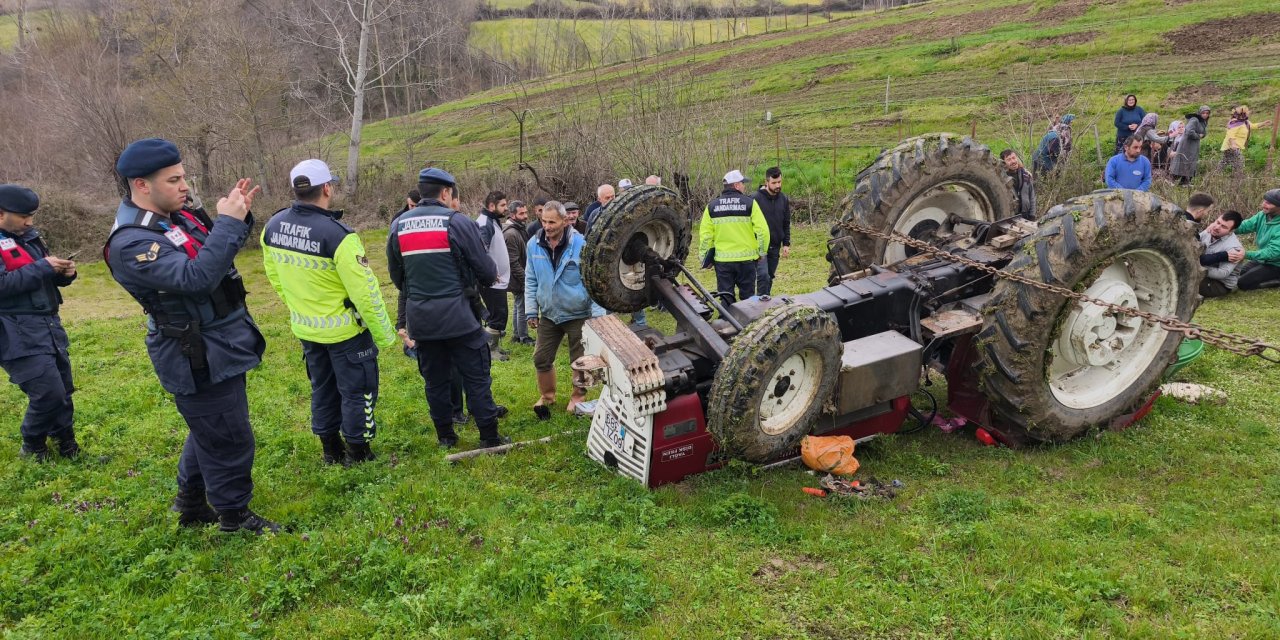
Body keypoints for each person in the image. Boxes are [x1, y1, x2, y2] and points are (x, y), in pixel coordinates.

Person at [104, 138, 278, 534]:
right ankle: (234, 517)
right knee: (229, 436)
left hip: (220, 340)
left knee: (211, 426)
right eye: (174, 179)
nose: (185, 186)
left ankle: (191, 502)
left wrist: (239, 217)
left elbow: (215, 252)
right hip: (194, 350)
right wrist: (230, 224)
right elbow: (196, 278)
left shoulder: (176, 216)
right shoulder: (132, 241)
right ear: (141, 185)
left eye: (184, 177)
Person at [260, 159, 395, 466]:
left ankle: (330, 449)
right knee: (357, 391)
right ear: (327, 189)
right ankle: (358, 453)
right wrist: (385, 335)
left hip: (306, 329)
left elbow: (275, 277)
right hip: (346, 332)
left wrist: (300, 305)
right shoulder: (339, 236)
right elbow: (367, 293)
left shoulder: (272, 226)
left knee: (322, 388)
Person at [387, 168, 508, 449]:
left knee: (435, 382)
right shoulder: (456, 222)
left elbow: (397, 277)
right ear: (445, 193)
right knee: (476, 377)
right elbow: (487, 271)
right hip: (460, 319)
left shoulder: (398, 225)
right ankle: (489, 437)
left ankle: (445, 437)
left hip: (422, 322)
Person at [0, 184, 79, 462]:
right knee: (47, 392)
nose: (29, 221)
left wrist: (64, 273)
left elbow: (40, 277)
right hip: (13, 331)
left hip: (48, 325)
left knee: (63, 389)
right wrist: (43, 267)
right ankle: (32, 447)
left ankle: (68, 445)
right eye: (23, 215)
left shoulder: (29, 237)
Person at [525, 201, 604, 419]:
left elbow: (592, 281)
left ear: (565, 221)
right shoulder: (534, 244)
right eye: (544, 221)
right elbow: (531, 278)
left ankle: (578, 396)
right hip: (549, 314)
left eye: (552, 222)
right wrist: (532, 310)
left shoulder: (580, 244)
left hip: (578, 313)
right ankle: (548, 396)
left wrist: (597, 316)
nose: (547, 226)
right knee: (541, 358)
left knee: (580, 360)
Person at [699, 170, 769, 302]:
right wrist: (761, 252)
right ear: (736, 185)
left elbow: (706, 236)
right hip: (747, 260)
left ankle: (726, 320)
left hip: (723, 261)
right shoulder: (750, 203)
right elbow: (763, 231)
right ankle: (748, 321)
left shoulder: (711, 206)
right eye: (742, 183)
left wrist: (705, 259)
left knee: (725, 297)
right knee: (748, 299)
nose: (744, 186)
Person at [475, 190, 511, 362]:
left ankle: (495, 347)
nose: (506, 208)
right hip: (491, 281)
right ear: (491, 206)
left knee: (500, 314)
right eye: (503, 205)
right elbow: (482, 250)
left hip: (498, 280)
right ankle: (490, 350)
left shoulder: (492, 221)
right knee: (496, 315)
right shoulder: (484, 223)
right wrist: (490, 271)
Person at [753, 166, 791, 296]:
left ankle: (765, 300)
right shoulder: (755, 199)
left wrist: (786, 243)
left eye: (779, 182)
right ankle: (759, 303)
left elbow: (786, 223)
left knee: (769, 276)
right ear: (766, 182)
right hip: (759, 247)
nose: (777, 185)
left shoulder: (784, 199)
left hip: (775, 245)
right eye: (774, 183)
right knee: (763, 276)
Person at [1235, 189, 1280, 291]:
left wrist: (1246, 254)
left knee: (1243, 283)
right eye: (1264, 201)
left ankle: (1277, 280)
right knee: (1238, 273)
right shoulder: (1263, 215)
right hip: (1262, 259)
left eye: (1268, 203)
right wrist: (1228, 228)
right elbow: (1246, 226)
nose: (1263, 204)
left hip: (1276, 264)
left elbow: (1273, 252)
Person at [503, 200, 535, 346]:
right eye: (521, 213)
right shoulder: (511, 233)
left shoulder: (518, 229)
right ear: (512, 215)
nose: (525, 216)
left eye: (526, 212)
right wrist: (526, 278)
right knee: (522, 306)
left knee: (518, 304)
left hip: (518, 275)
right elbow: (513, 262)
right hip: (517, 276)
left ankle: (517, 335)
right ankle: (523, 336)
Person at [1198, 211, 1245, 298]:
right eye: (1218, 222)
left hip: (1219, 284)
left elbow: (1223, 273)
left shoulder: (1234, 249)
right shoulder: (1209, 231)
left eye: (1223, 226)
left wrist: (1196, 269)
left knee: (1185, 283)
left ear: (1231, 231)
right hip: (1203, 273)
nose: (1217, 227)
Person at [1220, 106, 1271, 174]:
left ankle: (1216, 175)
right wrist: (1233, 144)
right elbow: (1231, 134)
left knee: (1225, 162)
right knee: (1240, 162)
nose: (1248, 112)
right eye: (1247, 112)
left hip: (1235, 147)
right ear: (1242, 113)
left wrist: (1263, 123)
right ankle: (1238, 178)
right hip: (1232, 147)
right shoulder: (1234, 122)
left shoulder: (1245, 121)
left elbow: (1253, 126)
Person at [1171, 106, 1210, 186]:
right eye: (1203, 113)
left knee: (1191, 162)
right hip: (1187, 145)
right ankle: (1172, 181)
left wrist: (1202, 135)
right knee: (1184, 161)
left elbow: (1203, 133)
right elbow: (1189, 131)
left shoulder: (1203, 122)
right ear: (1199, 112)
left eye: (1207, 113)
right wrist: (1198, 136)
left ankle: (1185, 182)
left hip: (1194, 145)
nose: (1205, 115)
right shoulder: (1194, 119)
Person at [1001, 150, 1036, 220]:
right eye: (1009, 160)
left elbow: (1032, 197)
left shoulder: (1026, 175)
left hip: (1026, 215)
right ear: (1004, 163)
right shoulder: (1001, 179)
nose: (1013, 161)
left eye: (1014, 158)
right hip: (1010, 217)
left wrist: (1032, 215)